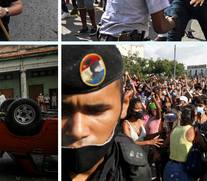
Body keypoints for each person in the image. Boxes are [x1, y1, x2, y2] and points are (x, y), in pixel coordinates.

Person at [62, 45, 151, 180]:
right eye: (63, 111)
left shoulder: (134, 171)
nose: (77, 131)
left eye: (97, 111)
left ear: (124, 105)